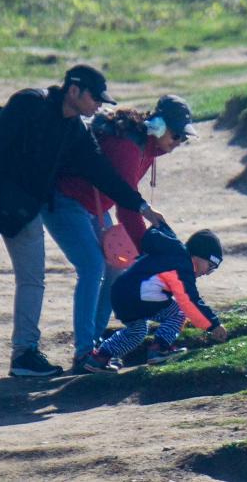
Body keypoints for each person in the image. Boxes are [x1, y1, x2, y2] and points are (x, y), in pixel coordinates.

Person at [0, 64, 169, 382]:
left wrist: (141, 206)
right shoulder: (29, 102)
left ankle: (24, 354)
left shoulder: (75, 132)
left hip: (24, 205)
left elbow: (103, 174)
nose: (99, 105)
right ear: (74, 91)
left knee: (33, 279)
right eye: (95, 98)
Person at [46, 94, 198, 373]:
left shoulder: (147, 147)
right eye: (176, 135)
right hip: (66, 200)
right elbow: (127, 208)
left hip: (95, 207)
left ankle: (95, 347)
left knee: (114, 270)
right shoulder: (127, 146)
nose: (177, 143)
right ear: (160, 125)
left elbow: (123, 199)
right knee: (92, 267)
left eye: (183, 139)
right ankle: (84, 353)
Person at [81, 227, 227, 373]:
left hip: (120, 293)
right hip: (141, 296)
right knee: (179, 312)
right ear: (198, 256)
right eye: (210, 266)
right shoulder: (182, 265)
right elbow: (189, 301)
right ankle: (159, 348)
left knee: (137, 331)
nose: (208, 273)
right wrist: (213, 324)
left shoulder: (172, 254)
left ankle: (99, 358)